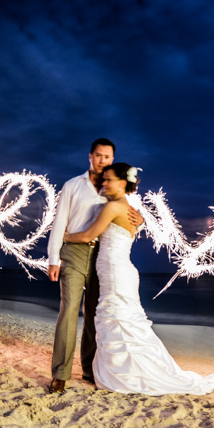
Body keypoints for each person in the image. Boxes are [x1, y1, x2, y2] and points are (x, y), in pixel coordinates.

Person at [64, 163, 214, 396]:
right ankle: (127, 369)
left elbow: (89, 235)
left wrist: (64, 235)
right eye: (105, 179)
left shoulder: (113, 207)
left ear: (123, 183)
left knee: (117, 319)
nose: (105, 183)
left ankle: (129, 373)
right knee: (121, 320)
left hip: (115, 270)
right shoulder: (127, 208)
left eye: (110, 179)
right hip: (120, 270)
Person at [47, 138, 142, 394]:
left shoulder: (115, 186)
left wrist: (140, 219)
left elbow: (128, 217)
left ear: (113, 159)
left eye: (107, 157)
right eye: (98, 155)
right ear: (90, 156)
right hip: (75, 253)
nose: (103, 160)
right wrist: (53, 258)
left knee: (94, 316)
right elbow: (59, 224)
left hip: (103, 257)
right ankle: (60, 374)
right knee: (68, 311)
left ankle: (89, 369)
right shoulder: (72, 186)